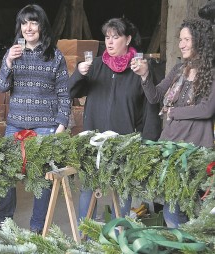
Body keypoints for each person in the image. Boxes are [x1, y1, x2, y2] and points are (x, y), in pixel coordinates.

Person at [67, 17, 162, 223]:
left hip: (125, 143)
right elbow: (71, 91)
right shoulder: (97, 65)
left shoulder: (139, 68)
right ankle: (85, 236)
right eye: (107, 37)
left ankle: (120, 234)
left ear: (127, 39)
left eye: (115, 37)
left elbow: (151, 107)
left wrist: (148, 142)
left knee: (123, 191)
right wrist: (79, 74)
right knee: (88, 188)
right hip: (94, 141)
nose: (109, 42)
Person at [132, 18, 215, 228]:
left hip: (195, 152)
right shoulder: (179, 69)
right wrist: (145, 76)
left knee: (192, 212)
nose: (181, 44)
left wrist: (174, 112)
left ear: (201, 42)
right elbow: (155, 96)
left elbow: (207, 109)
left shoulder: (212, 73)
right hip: (171, 149)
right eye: (180, 39)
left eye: (187, 39)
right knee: (171, 212)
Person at [0, 4, 71, 234]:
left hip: (45, 126)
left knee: (42, 180)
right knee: (5, 173)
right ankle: (4, 225)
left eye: (33, 22)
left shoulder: (55, 55)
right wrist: (8, 62)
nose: (28, 28)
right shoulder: (13, 53)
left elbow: (64, 94)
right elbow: (1, 86)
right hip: (16, 124)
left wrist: (61, 125)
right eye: (24, 23)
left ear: (41, 26)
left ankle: (38, 228)